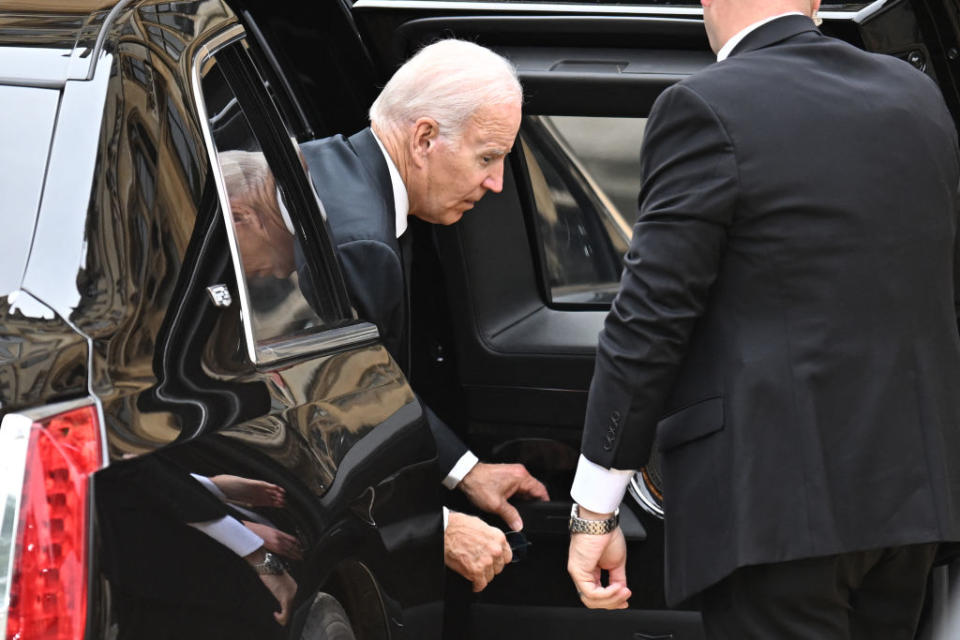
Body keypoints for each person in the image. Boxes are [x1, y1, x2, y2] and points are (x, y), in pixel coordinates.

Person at [565, 1, 960, 638]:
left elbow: (649, 318)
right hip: (911, 504)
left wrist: (592, 511)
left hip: (775, 512)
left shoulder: (702, 106)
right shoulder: (918, 98)